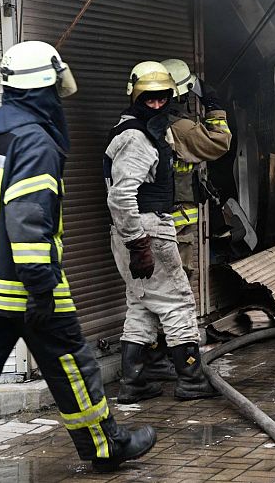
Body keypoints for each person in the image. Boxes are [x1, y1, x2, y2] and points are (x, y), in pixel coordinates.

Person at [0, 40, 155, 472]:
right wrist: (42, 288)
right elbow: (27, 220)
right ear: (47, 85)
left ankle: (105, 444)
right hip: (27, 287)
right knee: (73, 368)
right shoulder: (35, 143)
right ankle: (107, 446)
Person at [104, 61, 218, 402]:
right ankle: (191, 380)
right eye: (149, 98)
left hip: (134, 231)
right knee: (177, 303)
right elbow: (121, 194)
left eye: (162, 98)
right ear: (135, 96)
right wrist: (139, 243)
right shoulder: (137, 138)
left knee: (140, 305)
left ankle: (134, 383)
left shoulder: (140, 130)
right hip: (146, 229)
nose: (156, 104)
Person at [137, 59, 231, 382]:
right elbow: (220, 142)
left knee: (149, 293)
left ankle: (152, 360)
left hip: (149, 222)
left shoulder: (139, 123)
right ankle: (185, 371)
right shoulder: (181, 128)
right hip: (177, 223)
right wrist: (214, 106)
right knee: (177, 293)